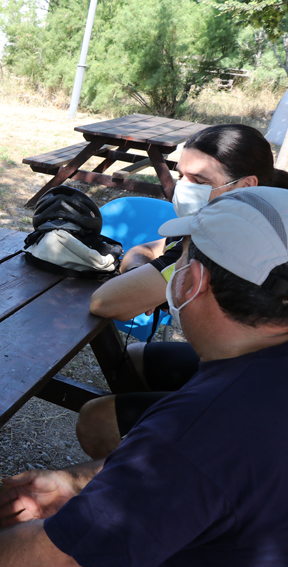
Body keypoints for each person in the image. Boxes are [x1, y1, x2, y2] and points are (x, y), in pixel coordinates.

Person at [0, 186, 288, 567]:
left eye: (181, 258)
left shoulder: (204, 427)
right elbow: (176, 472)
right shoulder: (251, 385)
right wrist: (75, 482)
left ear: (192, 281)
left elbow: (56, 559)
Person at [80, 124, 288, 458]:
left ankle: (171, 466)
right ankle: (164, 446)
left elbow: (107, 301)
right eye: (181, 176)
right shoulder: (263, 215)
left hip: (264, 389)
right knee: (132, 360)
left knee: (96, 418)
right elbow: (152, 247)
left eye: (200, 181)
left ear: (246, 185)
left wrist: (148, 280)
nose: (182, 189)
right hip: (257, 361)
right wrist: (143, 272)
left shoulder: (223, 237)